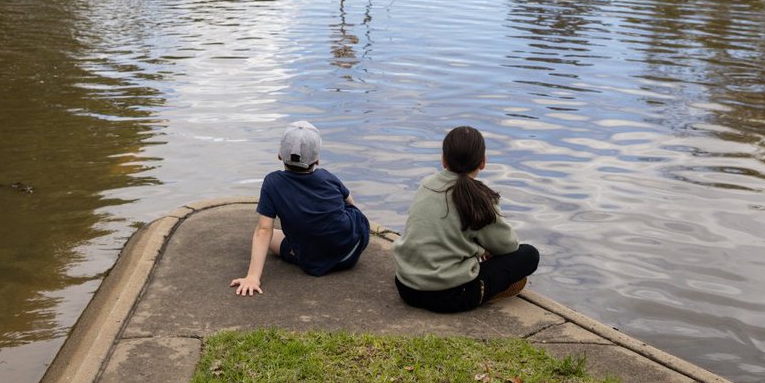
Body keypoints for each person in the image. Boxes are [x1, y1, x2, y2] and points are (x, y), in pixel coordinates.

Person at [392, 126, 539, 313]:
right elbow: (508, 246)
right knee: (529, 255)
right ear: (483, 162)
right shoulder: (479, 197)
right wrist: (486, 247)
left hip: (406, 286)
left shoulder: (426, 185)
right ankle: (487, 288)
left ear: (444, 160)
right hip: (450, 296)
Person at [231, 121, 370, 296]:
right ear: (317, 159)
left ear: (280, 155)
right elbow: (351, 203)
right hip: (352, 248)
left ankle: (306, 245)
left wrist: (252, 276)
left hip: (314, 260)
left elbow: (264, 230)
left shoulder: (272, 183)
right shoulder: (327, 176)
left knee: (273, 235)